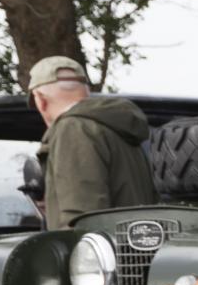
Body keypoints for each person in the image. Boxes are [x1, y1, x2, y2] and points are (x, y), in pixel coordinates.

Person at [23, 55, 157, 228]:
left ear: (40, 100)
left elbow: (82, 218)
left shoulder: (73, 128)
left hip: (99, 252)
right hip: (136, 247)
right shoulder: (118, 127)